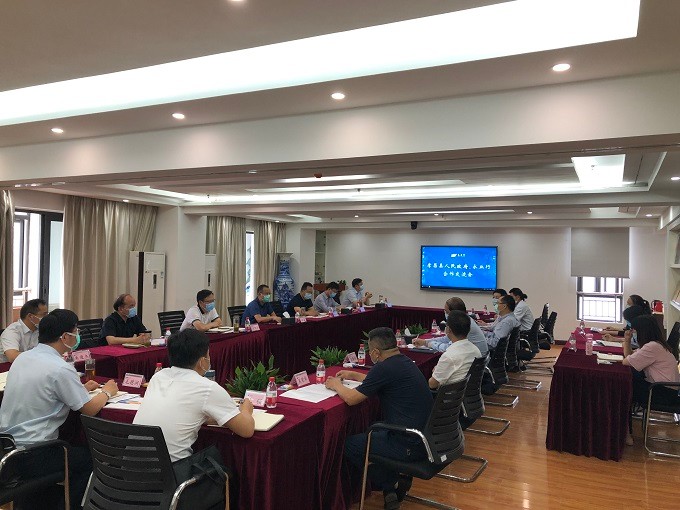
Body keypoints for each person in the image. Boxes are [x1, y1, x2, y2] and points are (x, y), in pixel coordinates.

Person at [0, 309, 118, 509]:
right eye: (76, 331)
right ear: (65, 336)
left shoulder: (23, 358)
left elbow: (43, 392)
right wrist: (107, 392)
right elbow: (88, 409)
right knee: (92, 459)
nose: (77, 335)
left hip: (7, 449)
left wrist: (81, 389)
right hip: (36, 453)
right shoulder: (60, 367)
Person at [325, 327, 433, 509]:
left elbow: (351, 399)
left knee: (349, 445)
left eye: (370, 351)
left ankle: (390, 483)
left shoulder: (384, 368)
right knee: (373, 431)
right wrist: (352, 375)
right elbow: (379, 379)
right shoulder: (404, 361)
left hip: (407, 444)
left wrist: (336, 385)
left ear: (375, 352)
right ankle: (391, 485)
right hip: (424, 438)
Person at [134, 329, 254, 461]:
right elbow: (246, 430)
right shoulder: (207, 388)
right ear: (202, 361)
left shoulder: (159, 377)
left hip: (130, 469)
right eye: (208, 355)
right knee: (219, 466)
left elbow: (180, 413)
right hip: (172, 471)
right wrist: (246, 409)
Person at [621, 315, 680, 445]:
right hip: (665, 390)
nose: (633, 334)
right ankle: (626, 430)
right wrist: (627, 341)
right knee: (630, 379)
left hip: (662, 393)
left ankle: (626, 432)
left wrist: (626, 343)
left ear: (643, 331)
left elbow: (626, 361)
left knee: (623, 388)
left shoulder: (652, 347)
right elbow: (630, 357)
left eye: (635, 331)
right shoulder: (656, 344)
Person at [413, 297, 488, 356]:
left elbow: (449, 348)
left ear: (454, 313)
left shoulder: (462, 324)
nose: (445, 313)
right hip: (477, 359)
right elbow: (447, 339)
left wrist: (429, 344)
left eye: (446, 311)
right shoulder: (465, 319)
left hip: (474, 360)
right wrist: (425, 341)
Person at [428, 310, 482, 390]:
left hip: (449, 395)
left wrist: (435, 371)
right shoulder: (475, 350)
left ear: (448, 329)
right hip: (468, 392)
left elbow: (432, 385)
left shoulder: (449, 356)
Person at [0, 298, 48, 363]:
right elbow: (12, 357)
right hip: (8, 366)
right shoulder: (12, 331)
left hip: (31, 364)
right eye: (44, 314)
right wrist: (40, 355)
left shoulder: (40, 329)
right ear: (30, 316)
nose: (47, 317)